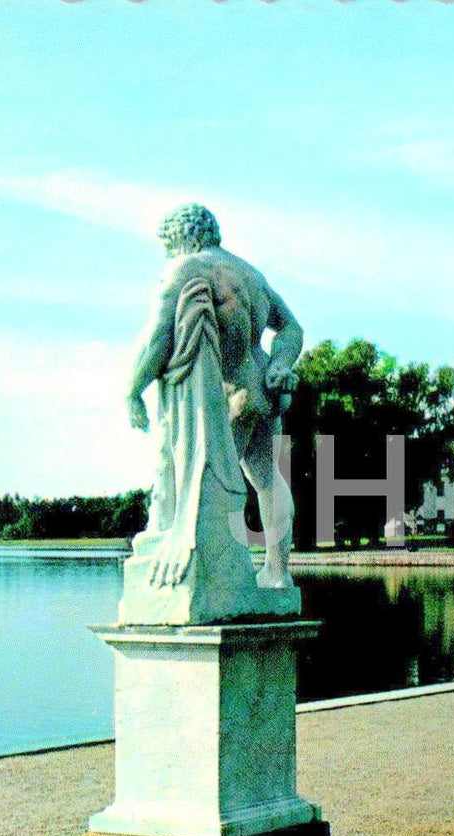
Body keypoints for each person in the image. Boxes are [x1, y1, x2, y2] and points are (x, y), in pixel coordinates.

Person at [126, 203, 303, 590]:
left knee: (214, 482)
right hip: (263, 387)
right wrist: (278, 364)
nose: (169, 255)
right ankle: (277, 572)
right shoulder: (251, 274)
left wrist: (132, 390)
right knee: (268, 481)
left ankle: (218, 575)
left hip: (232, 393)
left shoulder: (188, 267)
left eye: (169, 245)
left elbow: (158, 338)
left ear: (181, 237)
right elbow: (291, 328)